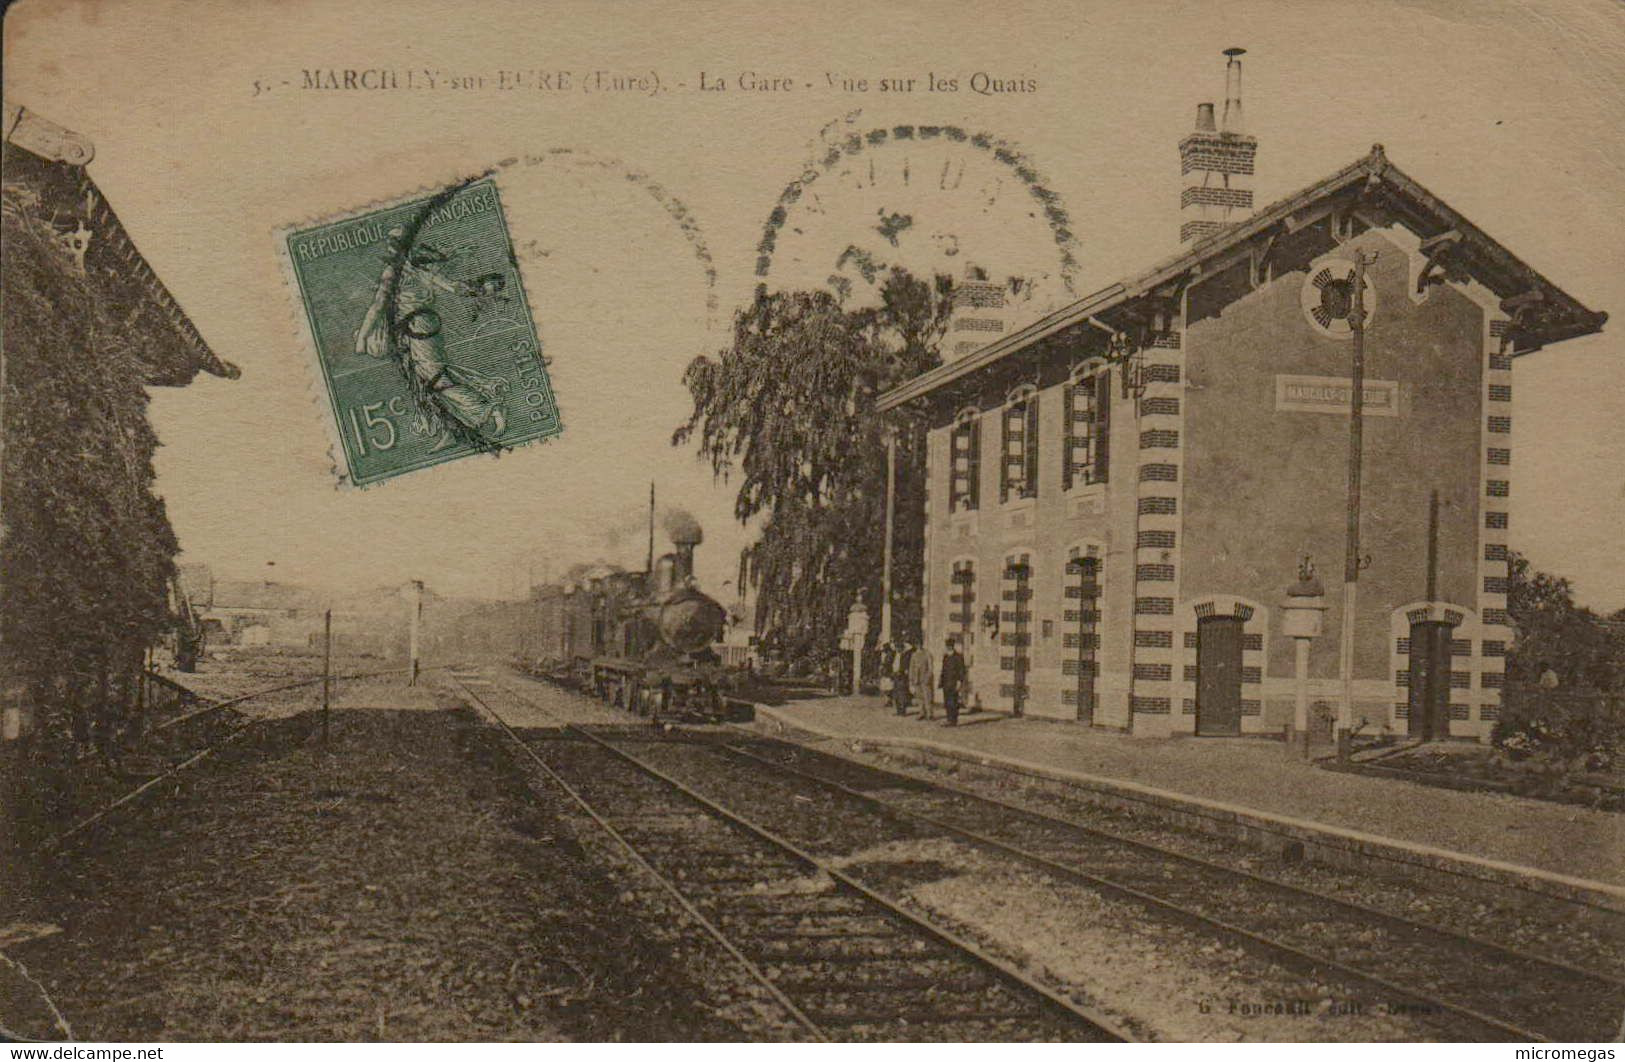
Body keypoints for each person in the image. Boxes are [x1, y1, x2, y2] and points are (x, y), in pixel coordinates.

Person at [939, 638, 967, 726]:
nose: (948, 648)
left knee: (953, 701)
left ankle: (953, 720)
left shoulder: (958, 657)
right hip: (946, 682)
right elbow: (943, 670)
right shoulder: (945, 657)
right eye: (947, 646)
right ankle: (948, 718)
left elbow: (961, 670)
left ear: (952, 646)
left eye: (950, 646)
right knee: (947, 701)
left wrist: (959, 681)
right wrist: (941, 680)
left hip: (954, 682)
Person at [908, 641, 935, 720]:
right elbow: (911, 667)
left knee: (928, 696)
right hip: (916, 678)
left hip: (925, 678)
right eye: (916, 644)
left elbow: (930, 668)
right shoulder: (914, 655)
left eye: (919, 644)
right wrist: (911, 679)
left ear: (922, 644)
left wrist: (928, 677)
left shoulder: (927, 654)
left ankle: (930, 713)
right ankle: (921, 712)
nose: (918, 645)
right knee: (919, 697)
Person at [894, 643, 915, 715]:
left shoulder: (905, 656)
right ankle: (898, 710)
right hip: (895, 675)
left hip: (902, 676)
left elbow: (906, 667)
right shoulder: (896, 655)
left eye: (899, 648)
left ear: (902, 648)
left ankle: (903, 710)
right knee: (896, 694)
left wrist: (902, 672)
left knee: (902, 694)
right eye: (896, 648)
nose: (897, 649)